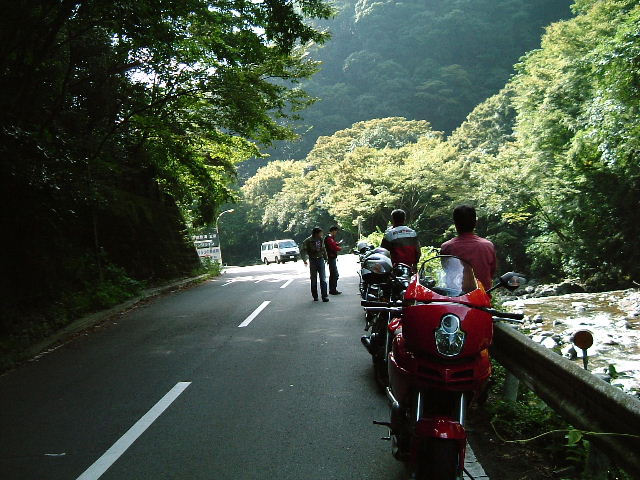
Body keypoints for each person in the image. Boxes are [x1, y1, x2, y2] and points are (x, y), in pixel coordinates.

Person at [440, 204, 496, 291]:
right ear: (475, 222)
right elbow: (491, 273)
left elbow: (446, 269)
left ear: (455, 223)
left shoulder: (447, 247)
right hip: (482, 296)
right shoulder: (488, 246)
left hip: (455, 296)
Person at [301, 227, 329, 302]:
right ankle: (315, 296)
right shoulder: (308, 240)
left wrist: (326, 258)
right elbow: (303, 250)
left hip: (320, 259)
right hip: (313, 260)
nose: (321, 234)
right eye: (320, 233)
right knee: (313, 279)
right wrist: (304, 260)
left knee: (323, 279)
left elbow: (323, 249)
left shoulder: (321, 239)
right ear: (316, 233)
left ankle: (324, 296)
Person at [324, 226, 343, 295]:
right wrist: (339, 248)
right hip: (331, 257)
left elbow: (333, 244)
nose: (336, 233)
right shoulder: (329, 238)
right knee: (334, 274)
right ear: (333, 231)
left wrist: (337, 244)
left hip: (332, 257)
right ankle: (332, 290)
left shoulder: (330, 238)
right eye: (336, 231)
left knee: (333, 274)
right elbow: (333, 246)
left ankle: (332, 289)